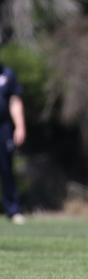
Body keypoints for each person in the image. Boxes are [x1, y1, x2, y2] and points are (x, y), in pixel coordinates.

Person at [0, 63, 26, 224]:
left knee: (7, 169)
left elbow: (14, 101)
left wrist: (20, 126)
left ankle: (13, 210)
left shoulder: (8, 74)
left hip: (3, 128)